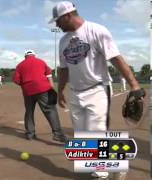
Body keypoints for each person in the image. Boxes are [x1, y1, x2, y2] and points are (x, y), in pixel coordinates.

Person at [49, 1, 141, 179]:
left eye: (58, 21)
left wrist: (134, 84)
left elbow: (115, 58)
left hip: (97, 89)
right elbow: (64, 69)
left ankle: (100, 172)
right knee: (82, 136)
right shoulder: (63, 41)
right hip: (75, 92)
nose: (57, 25)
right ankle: (117, 163)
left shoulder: (96, 30)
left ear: (67, 15)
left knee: (96, 131)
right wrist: (60, 91)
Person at [13, 50, 67, 143]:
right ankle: (57, 134)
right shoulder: (41, 61)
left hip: (28, 91)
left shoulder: (20, 65)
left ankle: (30, 134)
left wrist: (25, 84)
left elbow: (16, 80)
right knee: (50, 110)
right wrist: (51, 86)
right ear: (34, 55)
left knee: (29, 111)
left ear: (25, 56)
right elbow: (49, 73)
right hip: (43, 88)